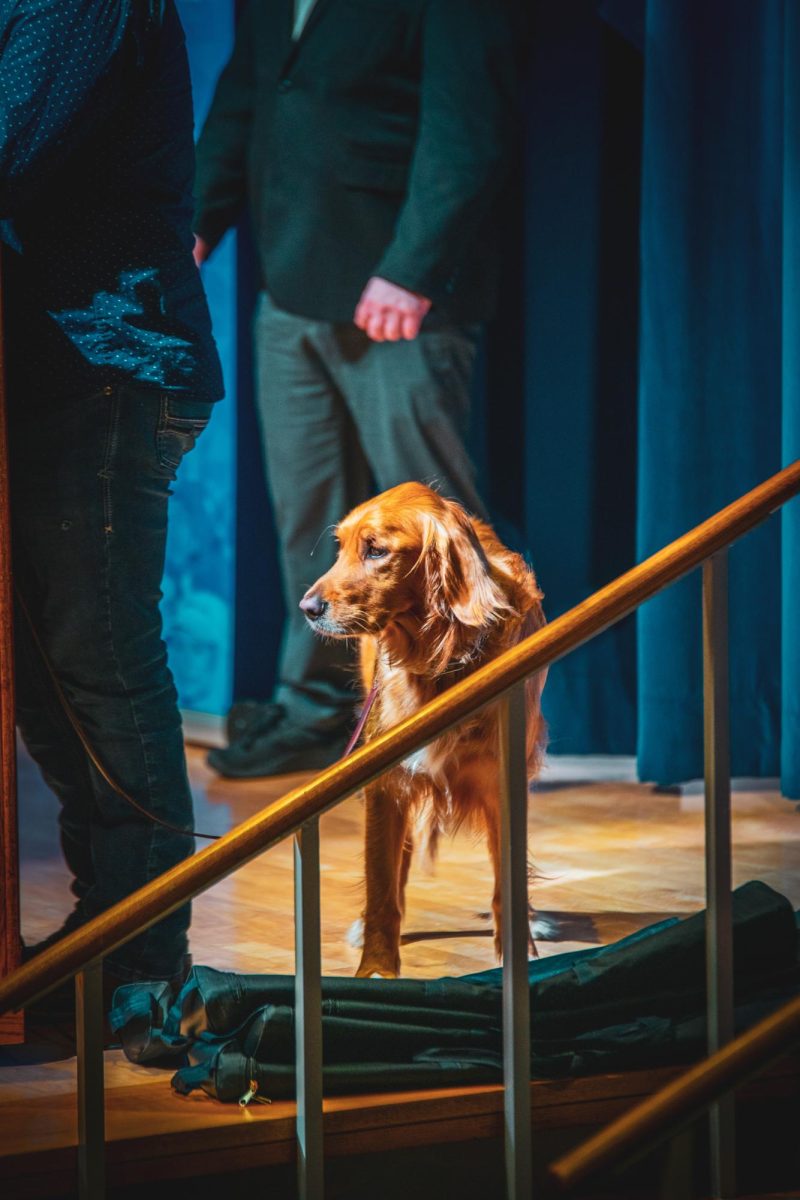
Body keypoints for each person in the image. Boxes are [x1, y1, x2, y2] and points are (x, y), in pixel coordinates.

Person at [194, 0, 519, 778]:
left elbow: (466, 127)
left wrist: (412, 269)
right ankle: (316, 712)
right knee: (311, 516)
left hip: (400, 294)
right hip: (294, 286)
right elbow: (247, 98)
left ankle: (472, 708)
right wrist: (198, 218)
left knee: (439, 525)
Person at [0, 0, 224, 993]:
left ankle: (139, 961)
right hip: (59, 366)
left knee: (96, 661)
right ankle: (110, 938)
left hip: (108, 360)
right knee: (47, 674)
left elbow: (13, 146)